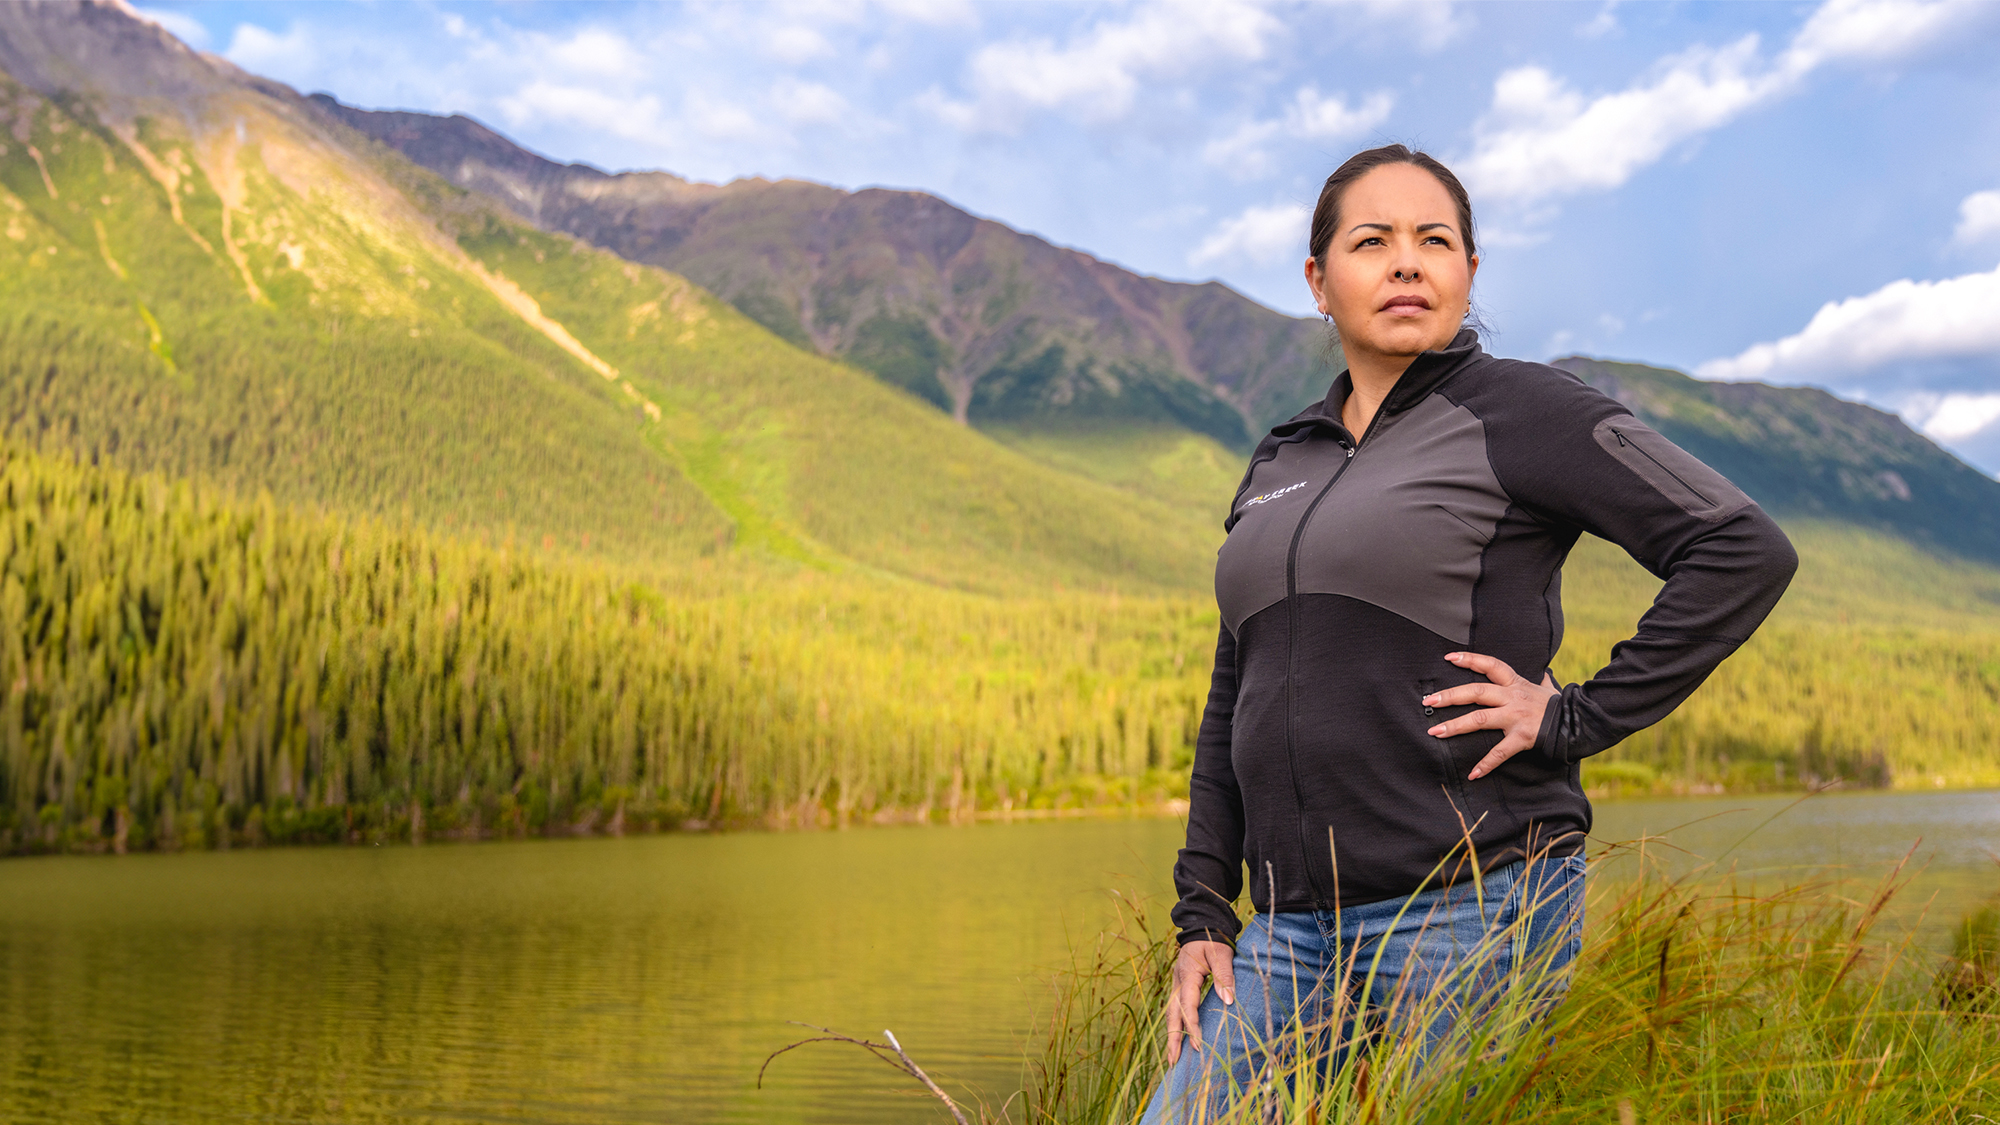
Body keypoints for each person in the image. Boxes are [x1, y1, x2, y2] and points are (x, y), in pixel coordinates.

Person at [1142, 145, 1797, 1121]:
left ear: (1469, 272)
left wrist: (1572, 718)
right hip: (1286, 934)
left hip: (1470, 905)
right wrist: (1203, 907)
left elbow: (1739, 547)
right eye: (1373, 241)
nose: (1407, 262)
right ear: (1318, 281)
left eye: (1435, 241)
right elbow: (1236, 690)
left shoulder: (1522, 411)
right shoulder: (1281, 457)